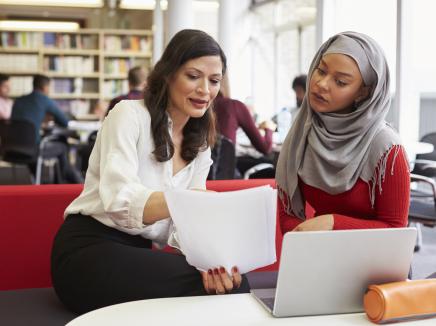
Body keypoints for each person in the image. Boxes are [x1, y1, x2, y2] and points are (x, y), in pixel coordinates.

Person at [51, 29, 249, 314]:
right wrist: (189, 201)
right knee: (225, 290)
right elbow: (119, 201)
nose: (205, 90)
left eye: (214, 80)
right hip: (87, 250)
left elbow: (186, 229)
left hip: (134, 254)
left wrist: (212, 262)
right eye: (193, 76)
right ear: (168, 75)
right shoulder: (128, 115)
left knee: (233, 283)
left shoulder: (201, 142)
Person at [276, 31, 410, 234]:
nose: (321, 84)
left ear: (363, 92)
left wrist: (333, 223)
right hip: (320, 255)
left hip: (375, 262)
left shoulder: (387, 149)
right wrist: (303, 246)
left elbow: (395, 229)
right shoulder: (303, 133)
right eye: (321, 71)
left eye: (340, 82)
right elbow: (288, 214)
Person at [11, 74, 82, 183]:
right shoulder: (44, 99)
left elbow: (22, 122)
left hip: (12, 149)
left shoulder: (18, 101)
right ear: (45, 87)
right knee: (62, 146)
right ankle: (70, 181)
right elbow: (64, 121)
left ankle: (48, 179)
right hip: (33, 150)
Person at [213, 90, 276, 177]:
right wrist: (269, 128)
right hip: (225, 174)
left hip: (212, 173)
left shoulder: (205, 106)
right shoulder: (233, 105)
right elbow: (265, 147)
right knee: (272, 164)